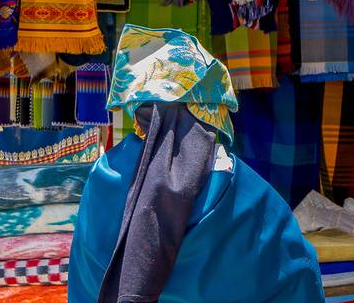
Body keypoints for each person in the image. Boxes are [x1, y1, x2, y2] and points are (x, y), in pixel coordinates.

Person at [68, 24, 324, 303]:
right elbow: (299, 279)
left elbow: (85, 285)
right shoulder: (246, 190)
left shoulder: (106, 176)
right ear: (209, 104)